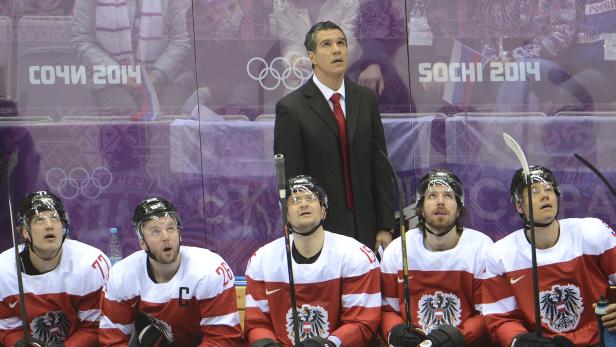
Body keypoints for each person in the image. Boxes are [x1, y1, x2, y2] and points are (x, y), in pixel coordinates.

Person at [273, 21, 394, 253]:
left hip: (367, 229)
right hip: (320, 232)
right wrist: (302, 231)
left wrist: (384, 226)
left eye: (341, 43)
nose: (336, 50)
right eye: (326, 44)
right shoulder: (292, 109)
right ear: (312, 57)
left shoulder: (365, 100)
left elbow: (380, 167)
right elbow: (293, 180)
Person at [482, 165, 616, 346]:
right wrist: (520, 341)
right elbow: (499, 318)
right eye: (534, 192)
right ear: (519, 206)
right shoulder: (501, 254)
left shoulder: (593, 233)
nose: (545, 195)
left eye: (549, 189)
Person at [244, 175, 381, 346]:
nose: (303, 204)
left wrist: (328, 344)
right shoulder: (262, 259)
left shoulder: (355, 255)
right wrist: (266, 344)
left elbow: (362, 322)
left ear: (324, 210)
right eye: (295, 200)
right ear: (284, 214)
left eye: (311, 198)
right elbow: (257, 323)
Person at [99, 197, 242, 346]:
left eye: (170, 228)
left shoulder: (210, 269)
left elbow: (222, 339)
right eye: (155, 231)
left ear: (179, 235)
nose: (166, 237)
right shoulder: (121, 275)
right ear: (142, 243)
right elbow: (113, 340)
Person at [381, 169, 493, 346]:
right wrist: (395, 332)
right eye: (432, 196)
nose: (440, 202)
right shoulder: (397, 249)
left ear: (459, 209)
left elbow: (489, 312)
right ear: (420, 209)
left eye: (448, 196)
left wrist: (460, 337)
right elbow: (386, 309)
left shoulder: (482, 247)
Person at [0, 191, 109, 346]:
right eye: (39, 219)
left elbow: (94, 326)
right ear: (25, 231)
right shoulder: (3, 270)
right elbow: (6, 328)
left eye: (55, 218)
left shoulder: (90, 263)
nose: (49, 225)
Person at [72, 0, 193, 115]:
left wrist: (157, 75)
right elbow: (82, 41)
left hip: (168, 75)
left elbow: (181, 40)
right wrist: (120, 76)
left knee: (167, 121)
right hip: (109, 78)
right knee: (126, 119)